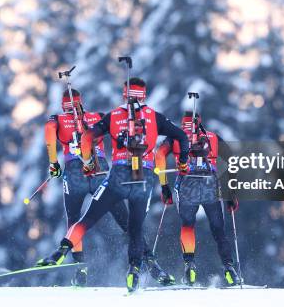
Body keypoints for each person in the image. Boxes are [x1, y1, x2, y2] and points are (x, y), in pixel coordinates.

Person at [38, 78, 189, 292]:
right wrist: (182, 162)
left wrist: (55, 162)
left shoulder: (76, 118)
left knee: (80, 219)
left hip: (82, 173)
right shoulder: (99, 116)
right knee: (130, 225)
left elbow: (53, 130)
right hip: (125, 172)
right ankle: (144, 266)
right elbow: (181, 137)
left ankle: (71, 260)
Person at [154, 110, 241, 287]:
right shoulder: (213, 137)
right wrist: (231, 193)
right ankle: (229, 268)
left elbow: (159, 154)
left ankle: (190, 266)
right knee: (219, 230)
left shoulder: (176, 137)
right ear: (199, 122)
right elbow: (231, 159)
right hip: (211, 185)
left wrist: (164, 186)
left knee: (188, 226)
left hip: (186, 186)